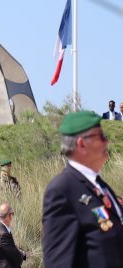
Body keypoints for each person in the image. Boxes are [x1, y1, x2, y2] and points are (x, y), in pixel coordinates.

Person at [42, 111, 123, 267]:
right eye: (101, 137)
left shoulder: (100, 185)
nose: (107, 142)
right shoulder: (62, 190)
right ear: (81, 144)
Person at [0, 203, 26, 268]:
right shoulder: (3, 234)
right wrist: (22, 254)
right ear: (10, 215)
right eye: (13, 214)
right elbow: (17, 259)